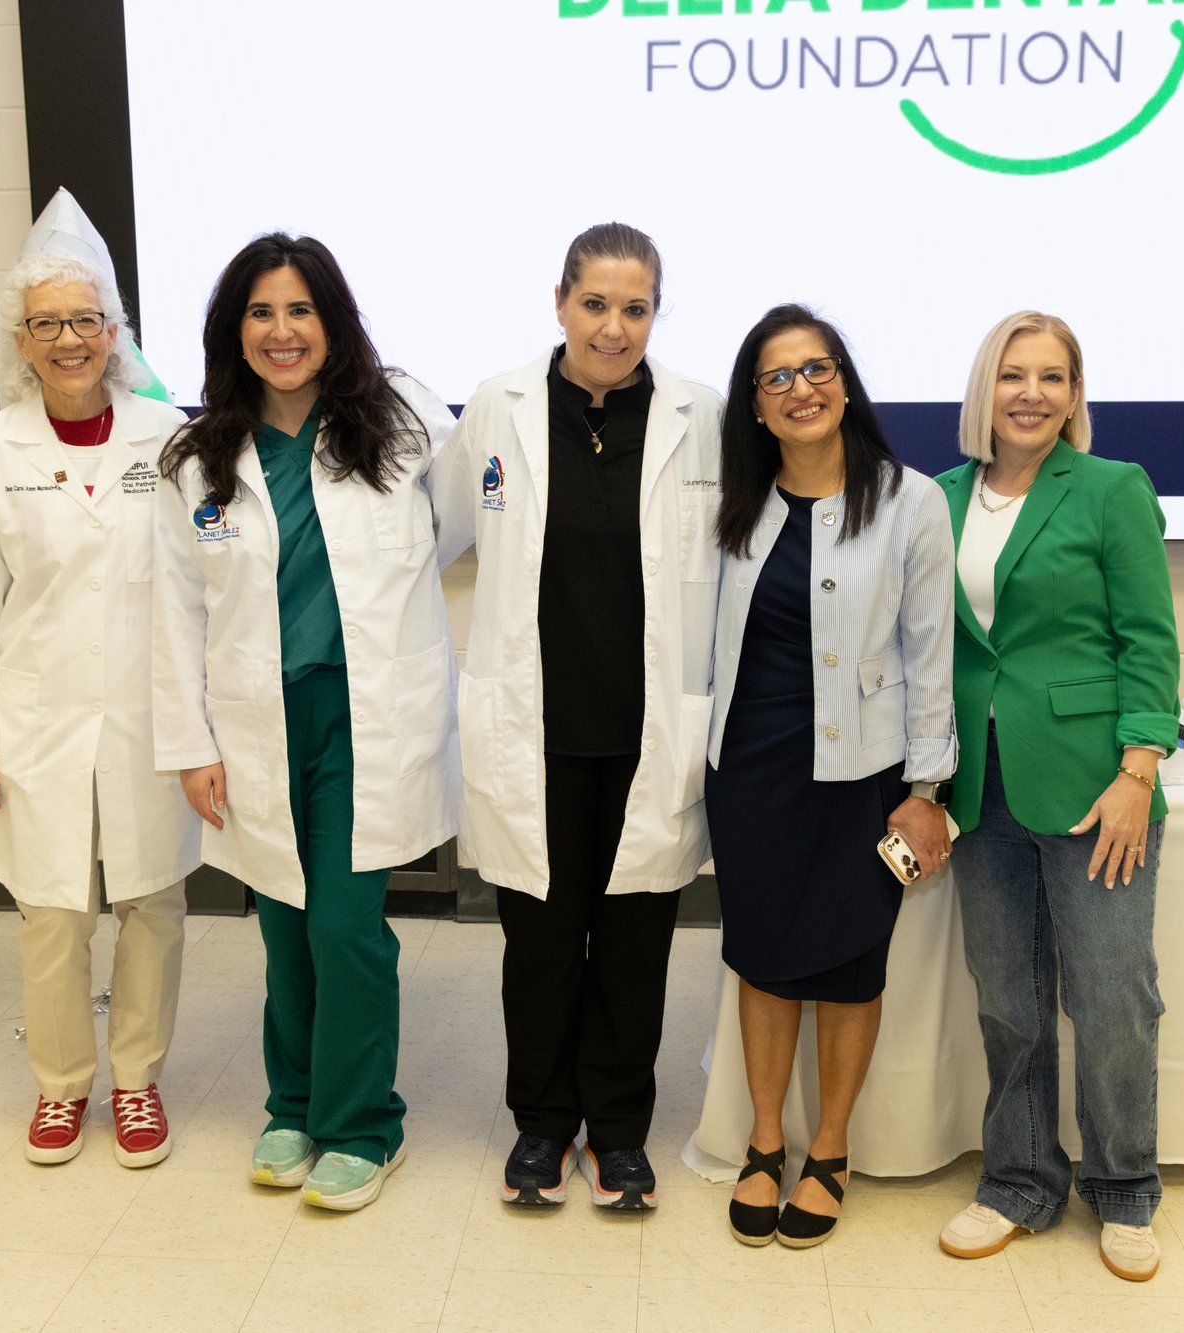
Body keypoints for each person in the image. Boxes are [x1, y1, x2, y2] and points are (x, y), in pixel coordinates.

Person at [152, 232, 457, 1213]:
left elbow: (456, 528)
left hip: (364, 719)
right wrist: (191, 745)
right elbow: (174, 613)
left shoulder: (403, 419)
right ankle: (292, 1105)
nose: (281, 332)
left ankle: (364, 1124)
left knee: (344, 926)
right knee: (283, 926)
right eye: (259, 312)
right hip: (254, 723)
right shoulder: (198, 460)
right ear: (230, 329)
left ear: (333, 321)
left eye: (299, 310)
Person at [431, 222, 725, 1212]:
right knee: (544, 944)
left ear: (654, 313)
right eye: (594, 303)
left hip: (651, 730)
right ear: (558, 301)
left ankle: (620, 1129)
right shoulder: (498, 408)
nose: (612, 326)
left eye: (633, 307)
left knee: (636, 943)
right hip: (534, 730)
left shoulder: (698, 415)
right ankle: (542, 1124)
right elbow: (431, 534)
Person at [0, 253, 201, 1168]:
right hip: (37, 722)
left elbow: (202, 584)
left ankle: (136, 1081)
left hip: (147, 716)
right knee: (52, 910)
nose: (69, 340)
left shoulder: (169, 436)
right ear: (22, 343)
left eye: (85, 320)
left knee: (153, 901)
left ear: (115, 333)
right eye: (47, 324)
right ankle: (60, 1086)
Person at [932, 311, 1180, 1281]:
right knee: (1006, 998)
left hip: (1093, 788)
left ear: (1074, 397)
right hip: (977, 786)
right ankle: (1018, 1180)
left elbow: (1148, 640)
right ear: (981, 391)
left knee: (1114, 996)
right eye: (1010, 374)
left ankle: (1123, 1189)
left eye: (1051, 376)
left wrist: (1137, 770)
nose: (1029, 392)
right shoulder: (940, 497)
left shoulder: (1111, 490)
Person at [705, 305, 957, 1248]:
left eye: (816, 369)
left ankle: (833, 1147)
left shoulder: (909, 501)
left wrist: (926, 789)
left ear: (845, 384)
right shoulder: (736, 503)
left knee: (851, 966)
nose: (800, 389)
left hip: (864, 773)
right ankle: (765, 1143)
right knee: (763, 958)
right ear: (757, 407)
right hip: (754, 770)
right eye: (777, 378)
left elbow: (931, 656)